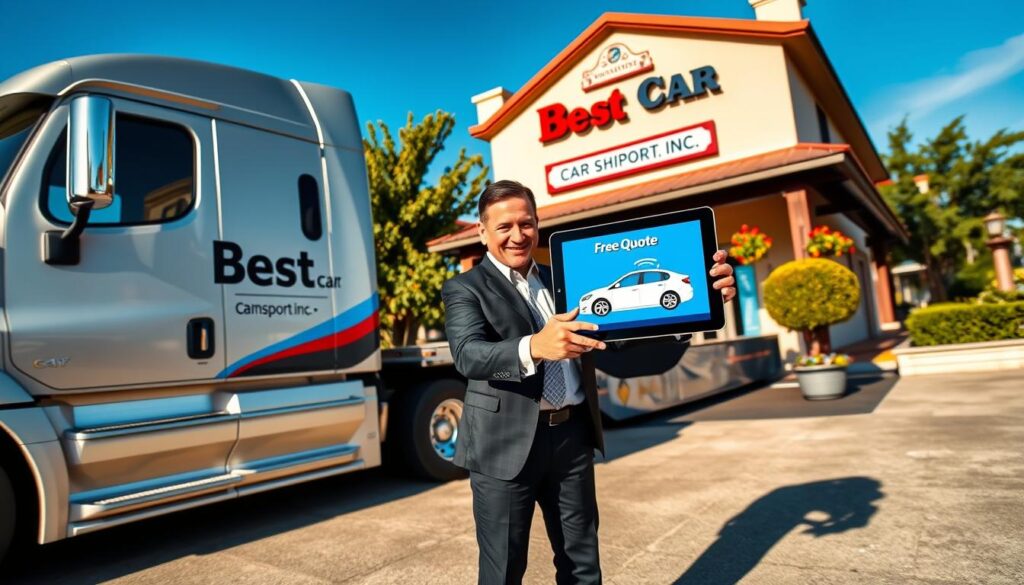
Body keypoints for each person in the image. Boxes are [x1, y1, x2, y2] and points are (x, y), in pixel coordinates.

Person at [442, 180, 736, 584]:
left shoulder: (567, 280)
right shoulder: (464, 288)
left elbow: (617, 342)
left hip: (571, 438)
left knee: (582, 565)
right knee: (503, 572)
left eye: (526, 223)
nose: (517, 235)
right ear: (482, 231)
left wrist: (696, 307)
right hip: (502, 447)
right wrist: (535, 346)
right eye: (504, 226)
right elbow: (468, 354)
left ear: (537, 224)